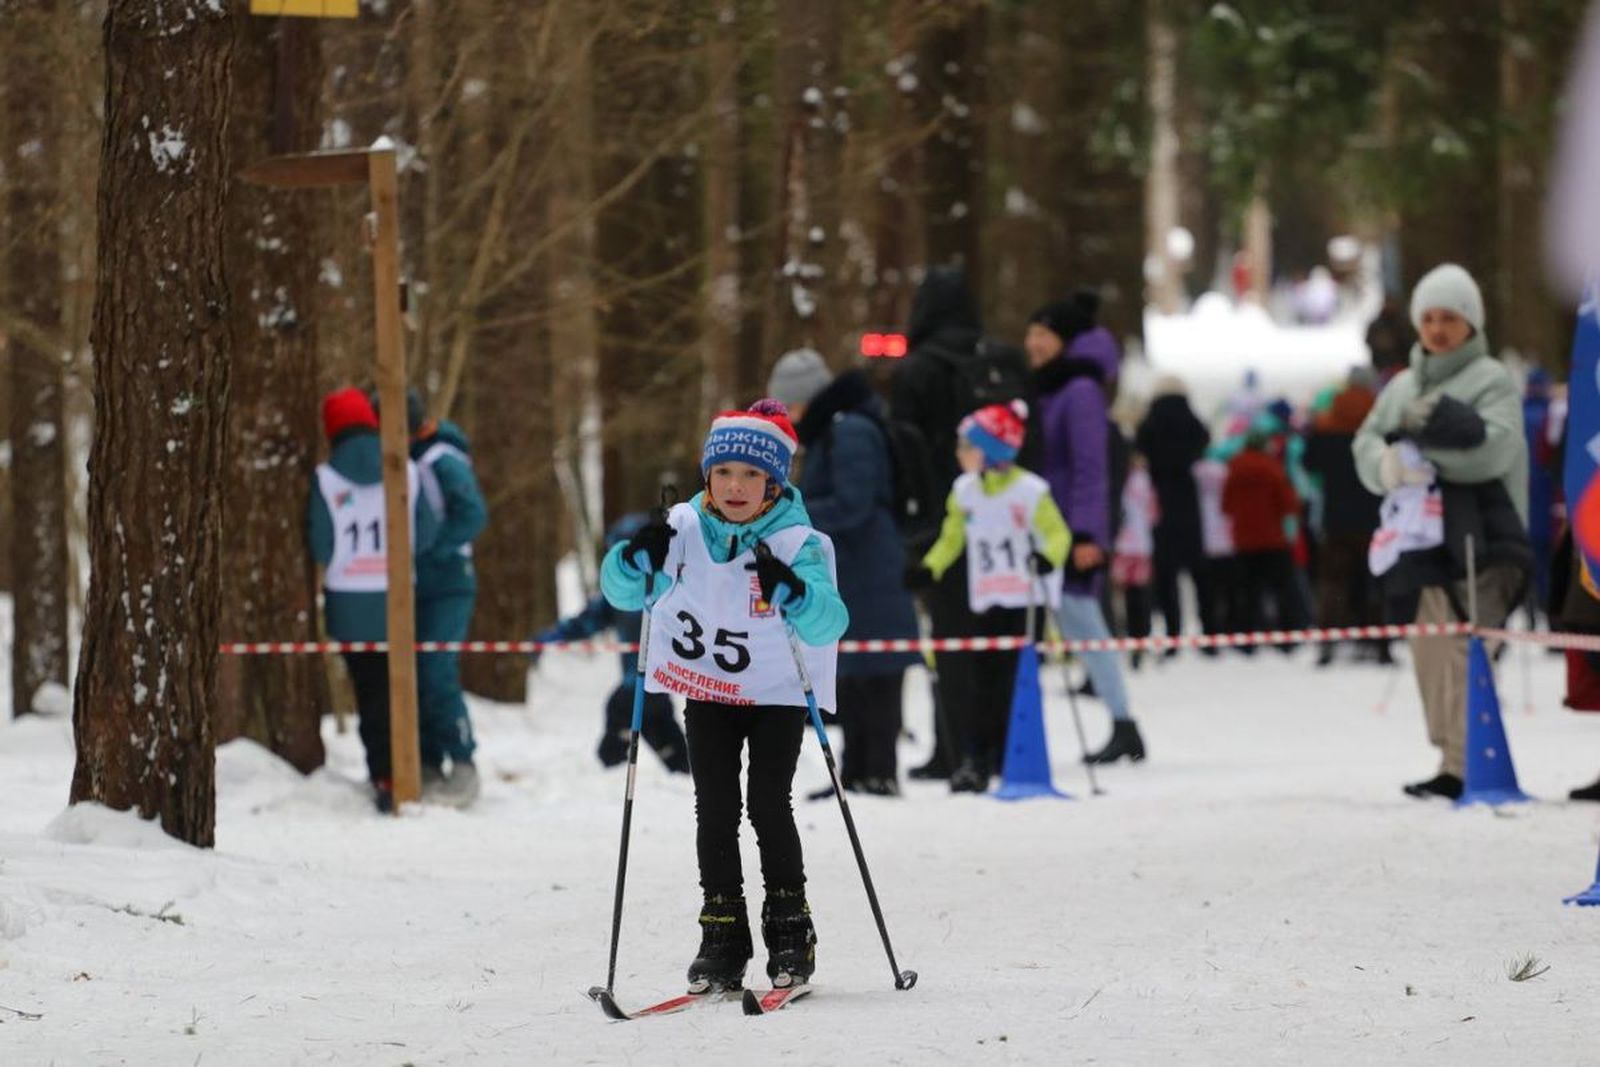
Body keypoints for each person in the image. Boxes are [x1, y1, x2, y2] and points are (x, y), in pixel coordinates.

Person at [600, 399, 848, 992]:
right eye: (724, 473)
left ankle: (791, 930)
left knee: (767, 804)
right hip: (708, 689)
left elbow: (828, 622)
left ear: (773, 482)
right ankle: (722, 933)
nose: (736, 486)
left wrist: (795, 592)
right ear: (706, 475)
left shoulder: (796, 541)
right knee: (713, 807)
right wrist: (637, 556)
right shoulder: (683, 526)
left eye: (752, 475)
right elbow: (620, 589)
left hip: (775, 694)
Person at [1353, 263, 1531, 800]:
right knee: (1429, 647)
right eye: (1427, 318)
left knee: (1464, 646)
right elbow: (1364, 443)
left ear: (1471, 323)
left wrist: (1424, 458)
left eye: (1448, 318)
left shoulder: (1491, 380)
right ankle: (1450, 757)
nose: (1436, 329)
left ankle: (1470, 758)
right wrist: (1387, 466)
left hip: (1483, 539)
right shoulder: (1402, 385)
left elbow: (1496, 448)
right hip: (1419, 541)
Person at [768, 349, 920, 796]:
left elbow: (855, 503)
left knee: (878, 674)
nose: (790, 417)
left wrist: (793, 515)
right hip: (854, 568)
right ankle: (854, 771)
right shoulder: (835, 429)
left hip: (871, 566)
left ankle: (881, 771)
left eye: (790, 405)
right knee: (852, 670)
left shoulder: (850, 430)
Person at [890, 266, 1019, 780]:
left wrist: (911, 525)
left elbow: (905, 449)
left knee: (953, 640)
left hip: (945, 524)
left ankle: (955, 748)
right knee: (1000, 638)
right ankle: (1001, 744)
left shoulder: (918, 370)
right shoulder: (999, 362)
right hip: (1007, 524)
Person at [904, 401, 1070, 791]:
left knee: (1014, 679)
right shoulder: (964, 491)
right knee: (980, 681)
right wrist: (930, 567)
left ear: (993, 451)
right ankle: (976, 758)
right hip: (986, 597)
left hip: (1023, 599)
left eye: (968, 446)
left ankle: (1011, 751)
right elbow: (951, 538)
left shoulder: (1030, 491)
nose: (959, 454)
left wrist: (1047, 558)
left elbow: (1058, 534)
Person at [1025, 294, 1145, 763]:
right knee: (1076, 626)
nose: (1031, 343)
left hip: (1070, 533)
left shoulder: (1079, 392)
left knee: (1084, 624)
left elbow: (1090, 468)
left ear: (1065, 341)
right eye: (1030, 333)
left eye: (1042, 334)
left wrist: (1086, 534)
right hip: (1045, 528)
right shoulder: (1052, 387)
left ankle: (1124, 722)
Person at [307, 387, 439, 812]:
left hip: (348, 603)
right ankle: (411, 769)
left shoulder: (325, 479)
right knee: (403, 685)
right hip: (398, 596)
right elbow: (429, 527)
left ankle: (383, 774)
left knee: (370, 692)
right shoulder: (408, 471)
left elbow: (321, 545)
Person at [531, 513, 690, 775]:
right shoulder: (619, 593)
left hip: (655, 680)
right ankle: (680, 769)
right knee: (657, 725)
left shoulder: (670, 585)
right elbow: (588, 621)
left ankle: (614, 773)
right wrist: (551, 638)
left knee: (620, 714)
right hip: (641, 683)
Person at [399, 389, 488, 807]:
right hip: (420, 583)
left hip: (448, 581)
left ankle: (464, 765)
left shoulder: (440, 458)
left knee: (436, 671)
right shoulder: (417, 457)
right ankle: (429, 763)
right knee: (414, 671)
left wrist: (430, 550)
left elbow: (472, 513)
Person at [1303, 368, 1386, 666]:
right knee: (1376, 581)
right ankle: (1381, 644)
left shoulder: (1328, 420)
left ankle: (1327, 644)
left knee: (1332, 582)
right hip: (1374, 515)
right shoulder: (1380, 420)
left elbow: (1309, 461)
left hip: (1335, 516)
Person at [1136, 377, 1215, 646]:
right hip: (1187, 498)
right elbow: (1205, 439)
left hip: (1159, 499)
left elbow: (1140, 446)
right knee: (1200, 573)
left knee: (1165, 574)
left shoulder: (1150, 422)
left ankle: (1172, 634)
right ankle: (1210, 632)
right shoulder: (1191, 419)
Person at [1222, 432, 1307, 644]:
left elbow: (1226, 505)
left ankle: (1247, 639)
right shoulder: (1271, 467)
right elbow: (1289, 503)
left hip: (1243, 540)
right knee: (1282, 590)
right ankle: (1287, 636)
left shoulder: (1234, 469)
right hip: (1272, 539)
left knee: (1247, 593)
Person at [1113, 455, 1158, 670]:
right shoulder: (1145, 481)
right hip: (1141, 546)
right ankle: (1140, 639)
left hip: (1123, 546)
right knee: (1141, 598)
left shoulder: (1118, 478)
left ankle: (1128, 637)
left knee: (1124, 597)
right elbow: (1154, 514)